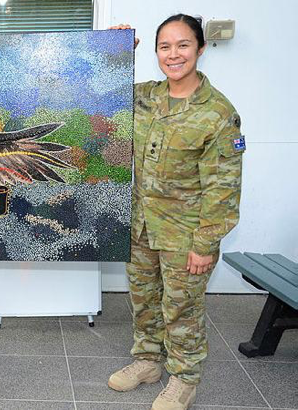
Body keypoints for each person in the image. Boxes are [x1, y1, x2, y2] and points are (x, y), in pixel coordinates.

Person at [107, 15, 245, 410]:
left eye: (183, 45)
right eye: (164, 47)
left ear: (200, 49)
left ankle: (184, 379)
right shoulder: (145, 97)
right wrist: (118, 52)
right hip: (141, 226)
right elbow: (99, 94)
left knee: (182, 309)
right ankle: (148, 361)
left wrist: (205, 243)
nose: (173, 54)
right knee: (145, 299)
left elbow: (224, 187)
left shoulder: (218, 113)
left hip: (186, 234)